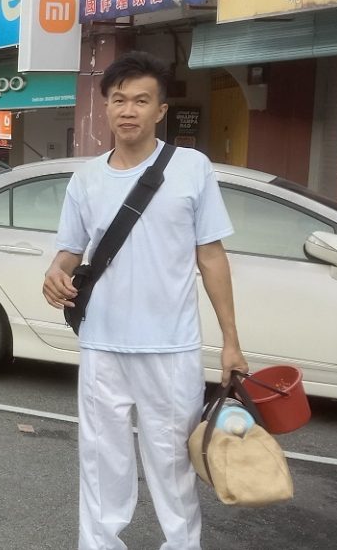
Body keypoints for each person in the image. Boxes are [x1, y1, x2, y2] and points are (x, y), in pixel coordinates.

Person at [41, 51, 246, 550]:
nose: (128, 110)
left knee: (173, 461)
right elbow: (70, 249)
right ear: (106, 108)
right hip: (102, 345)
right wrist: (54, 273)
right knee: (100, 458)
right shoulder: (86, 179)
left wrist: (231, 342)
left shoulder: (191, 169)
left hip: (171, 347)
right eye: (118, 100)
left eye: (140, 100)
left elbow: (212, 258)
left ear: (160, 110)